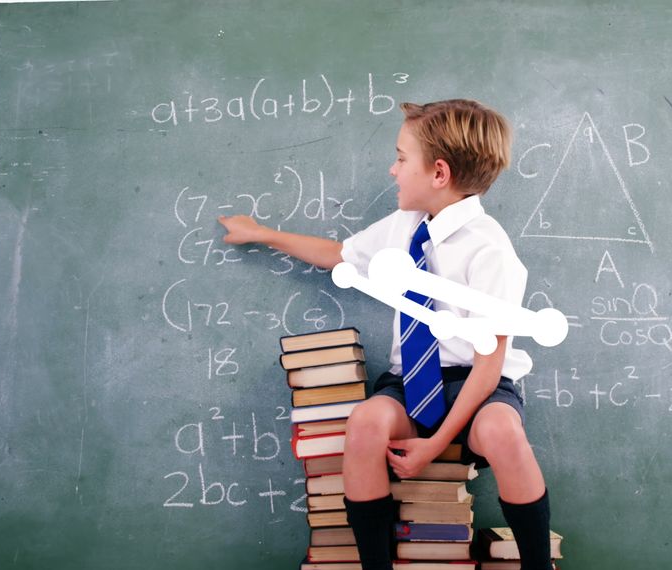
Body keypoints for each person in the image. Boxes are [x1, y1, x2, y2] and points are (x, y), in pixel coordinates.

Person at [219, 99, 552, 570]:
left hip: (478, 388)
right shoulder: (406, 226)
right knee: (365, 424)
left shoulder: (489, 248)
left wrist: (434, 448)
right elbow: (339, 254)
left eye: (400, 158)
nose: (392, 170)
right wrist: (263, 234)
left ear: (438, 173)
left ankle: (537, 565)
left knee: (504, 430)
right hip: (410, 385)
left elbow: (489, 364)